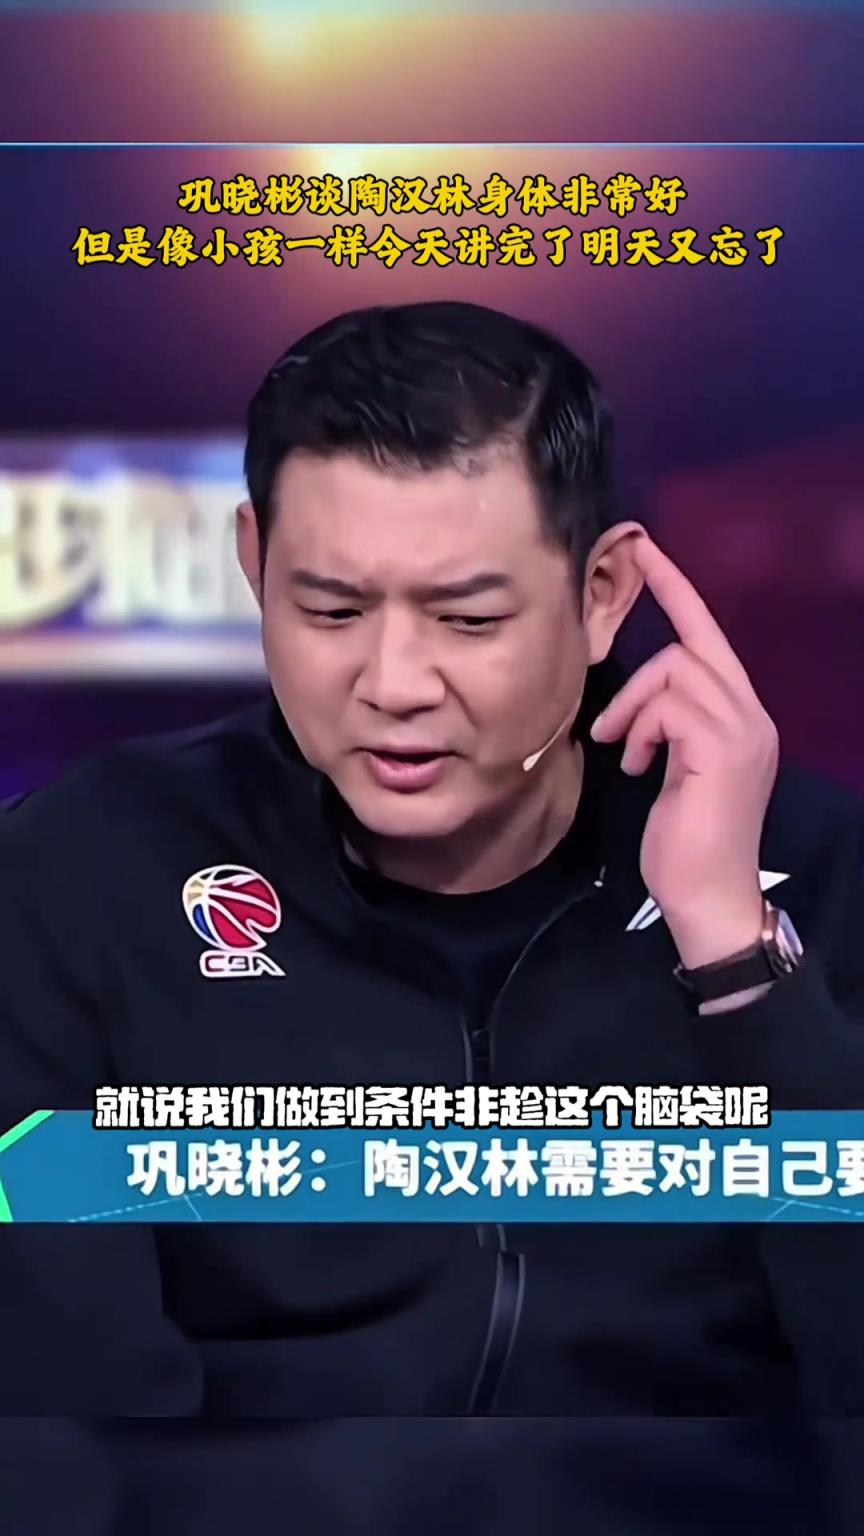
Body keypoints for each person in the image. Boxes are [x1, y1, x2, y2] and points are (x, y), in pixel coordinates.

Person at [2, 300, 864, 1533]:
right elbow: (53, 1424)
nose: (394, 685)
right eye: (331, 611)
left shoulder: (820, 874)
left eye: (468, 619)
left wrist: (735, 956)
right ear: (253, 563)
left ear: (604, 591)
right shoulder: (83, 872)